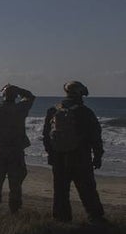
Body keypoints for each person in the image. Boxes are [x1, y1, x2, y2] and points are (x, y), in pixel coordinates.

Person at [42, 81, 105, 223]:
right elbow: (95, 136)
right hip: (80, 156)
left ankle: (61, 219)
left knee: (60, 191)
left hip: (58, 157)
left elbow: (46, 136)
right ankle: (95, 217)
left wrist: (51, 154)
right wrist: (98, 155)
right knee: (87, 189)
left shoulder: (53, 110)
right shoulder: (85, 112)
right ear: (79, 94)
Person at [0, 84, 35, 216]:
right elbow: (30, 96)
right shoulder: (20, 109)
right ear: (15, 96)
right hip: (16, 152)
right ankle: (14, 212)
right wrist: (17, 89)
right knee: (15, 185)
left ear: (2, 96)